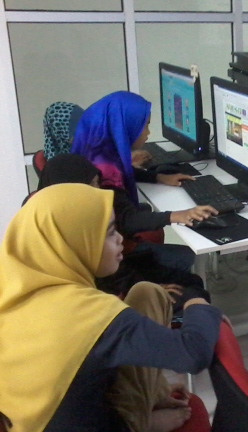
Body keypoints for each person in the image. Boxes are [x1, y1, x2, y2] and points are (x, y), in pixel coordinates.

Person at [0, 183, 222, 432]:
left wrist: (156, 390)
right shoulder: (87, 313)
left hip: (30, 422)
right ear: (75, 242)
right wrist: (197, 302)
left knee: (146, 292)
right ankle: (140, 424)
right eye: (109, 232)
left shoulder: (12, 288)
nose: (120, 239)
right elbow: (192, 353)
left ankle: (150, 403)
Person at [34, 153, 208, 309]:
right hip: (114, 296)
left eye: (98, 183)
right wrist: (149, 289)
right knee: (192, 290)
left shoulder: (62, 215)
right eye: (92, 185)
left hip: (123, 272)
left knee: (192, 282)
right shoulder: (72, 232)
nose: (99, 191)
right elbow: (107, 280)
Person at [70, 91, 216, 273]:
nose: (148, 132)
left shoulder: (98, 150)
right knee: (189, 257)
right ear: (126, 126)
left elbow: (124, 171)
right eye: (145, 126)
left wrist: (157, 177)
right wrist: (177, 216)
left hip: (105, 244)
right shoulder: (106, 170)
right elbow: (127, 220)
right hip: (118, 255)